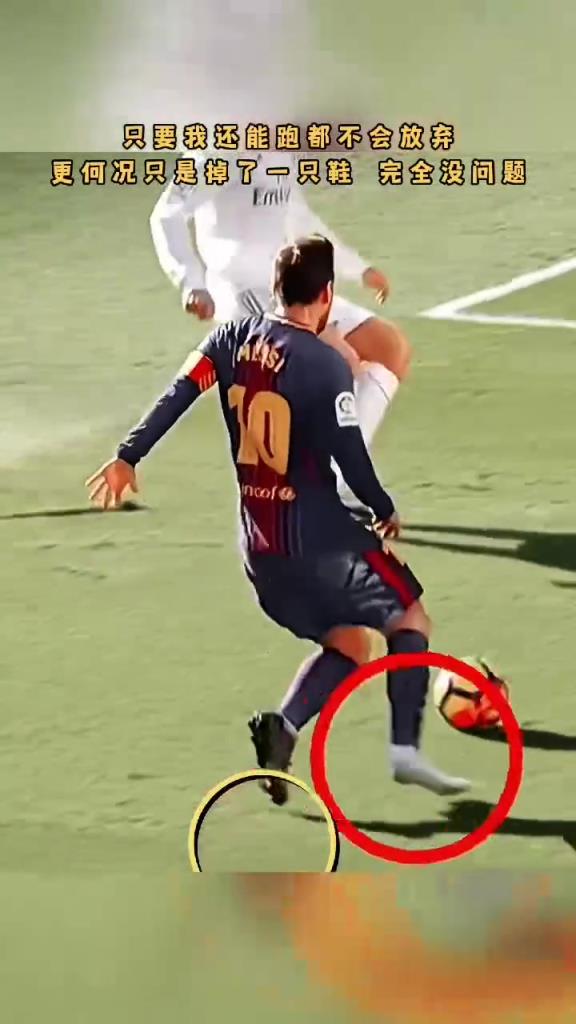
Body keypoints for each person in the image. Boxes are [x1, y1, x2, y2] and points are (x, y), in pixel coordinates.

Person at [86, 235, 470, 806]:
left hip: (261, 552)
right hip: (322, 545)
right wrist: (384, 508)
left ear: (275, 289)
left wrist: (127, 456)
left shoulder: (229, 339)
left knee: (349, 644)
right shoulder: (323, 364)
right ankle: (405, 752)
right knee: (408, 616)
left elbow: (178, 394)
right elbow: (350, 457)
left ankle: (283, 728)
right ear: (327, 295)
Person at [150, 149, 411, 514]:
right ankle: (310, 483)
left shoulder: (278, 146)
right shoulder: (215, 149)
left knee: (389, 348)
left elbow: (297, 217)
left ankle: (338, 479)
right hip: (245, 293)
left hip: (292, 282)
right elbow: (167, 214)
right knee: (336, 363)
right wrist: (191, 283)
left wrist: (359, 269)